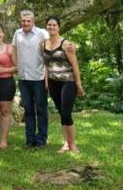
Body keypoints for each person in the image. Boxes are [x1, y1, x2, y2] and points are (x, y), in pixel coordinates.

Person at [13, 9, 54, 149]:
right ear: (20, 21)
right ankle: (30, 140)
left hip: (39, 77)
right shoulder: (17, 34)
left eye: (28, 21)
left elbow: (48, 56)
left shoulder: (42, 33)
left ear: (33, 21)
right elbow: (14, 51)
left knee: (41, 109)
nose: (26, 23)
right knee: (28, 110)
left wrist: (48, 78)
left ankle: (41, 140)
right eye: (23, 21)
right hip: (23, 78)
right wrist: (16, 67)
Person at [44, 16, 85, 153]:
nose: (51, 27)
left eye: (54, 25)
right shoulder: (43, 44)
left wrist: (78, 84)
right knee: (62, 113)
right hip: (53, 82)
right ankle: (66, 144)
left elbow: (74, 64)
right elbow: (46, 65)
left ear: (59, 27)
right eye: (49, 25)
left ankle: (73, 144)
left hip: (68, 81)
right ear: (46, 27)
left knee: (66, 113)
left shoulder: (66, 44)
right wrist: (46, 82)